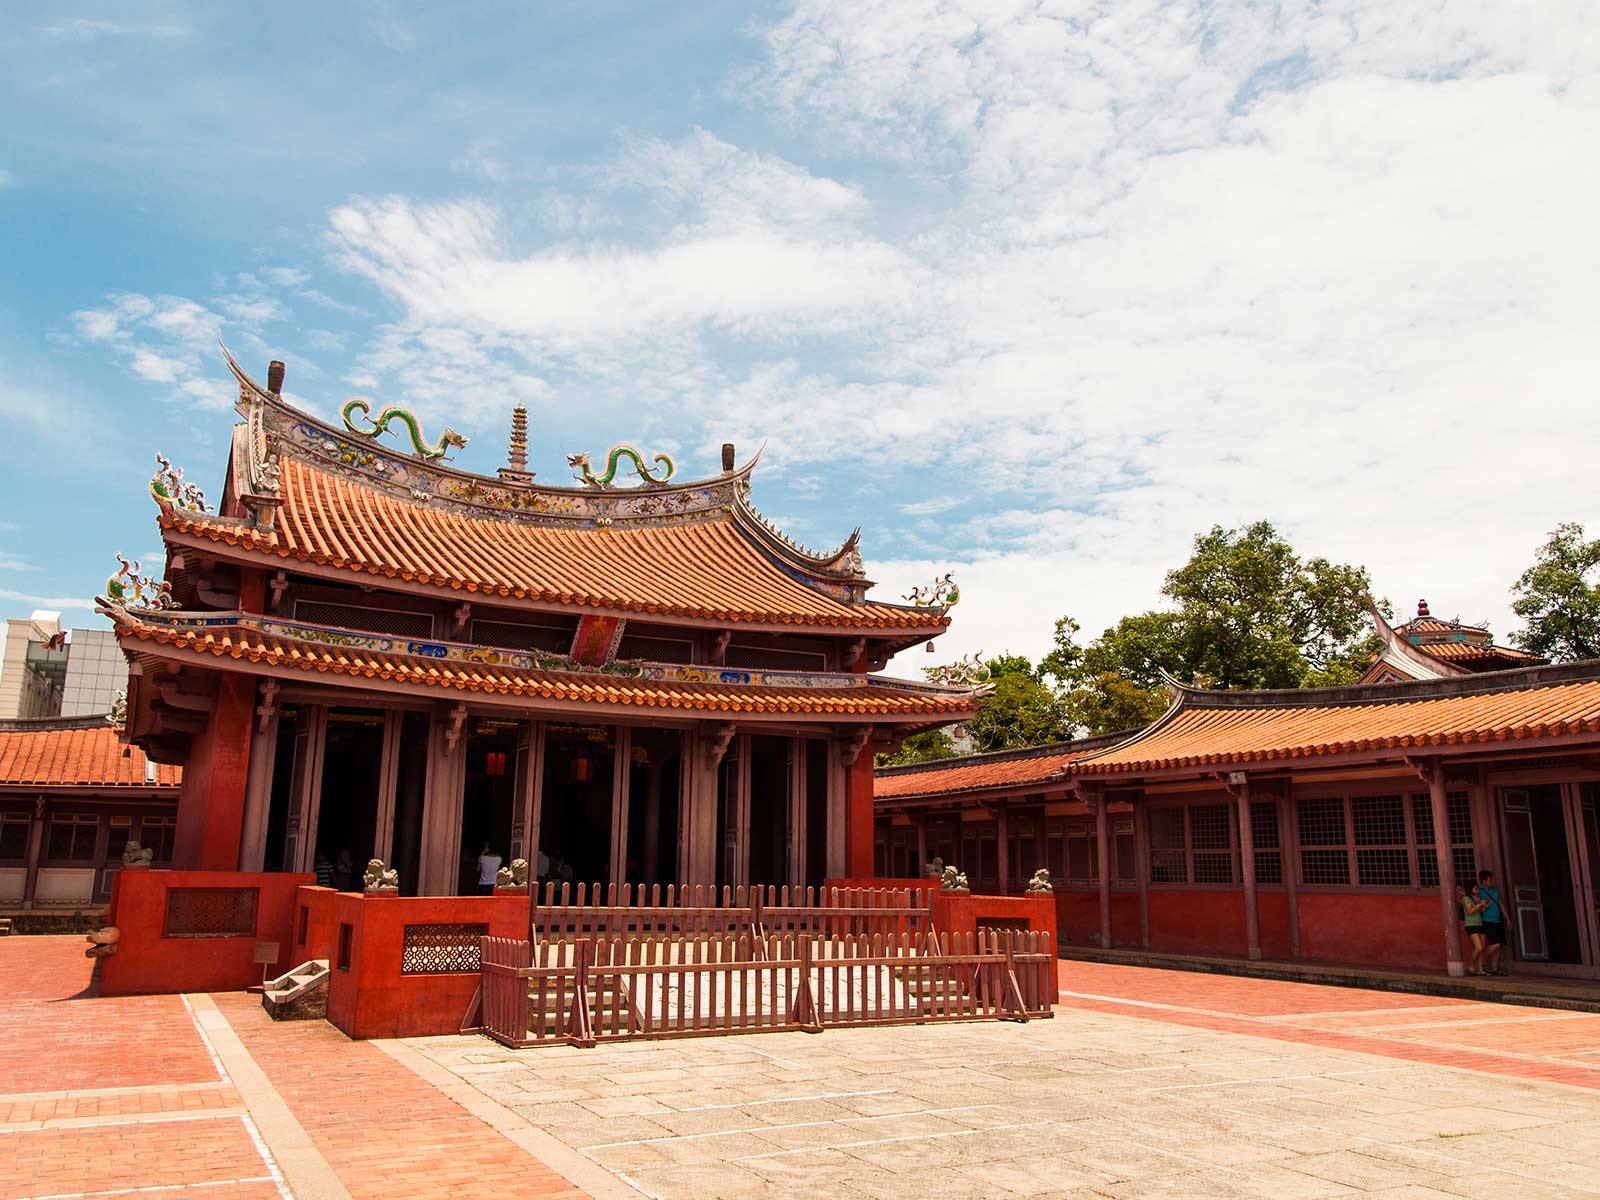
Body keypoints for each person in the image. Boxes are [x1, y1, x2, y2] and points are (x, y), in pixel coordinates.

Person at [1476, 869, 1508, 975]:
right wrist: (1484, 905)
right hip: (1487, 920)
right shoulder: (1479, 891)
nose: (1492, 881)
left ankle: (1494, 968)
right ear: (1483, 881)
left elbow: (1501, 904)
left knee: (1499, 946)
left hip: (1498, 920)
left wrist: (1507, 919)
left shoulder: (1494, 890)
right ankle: (1481, 961)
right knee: (1495, 943)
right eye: (1490, 879)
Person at [1458, 883, 1487, 975]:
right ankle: (1470, 965)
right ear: (1470, 889)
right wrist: (1480, 905)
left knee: (1482, 948)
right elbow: (1470, 911)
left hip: (1480, 923)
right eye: (1475, 888)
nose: (1477, 889)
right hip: (1471, 924)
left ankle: (1480, 969)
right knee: (1479, 947)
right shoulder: (1466, 898)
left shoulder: (1477, 898)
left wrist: (1484, 906)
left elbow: (1480, 911)